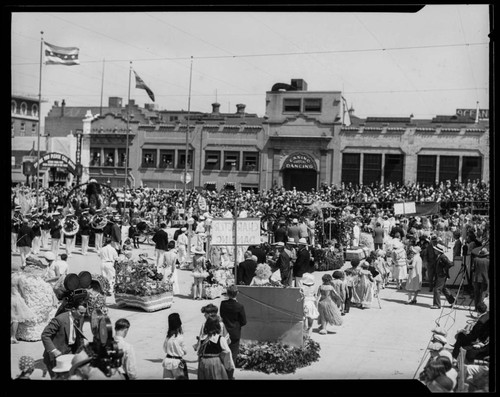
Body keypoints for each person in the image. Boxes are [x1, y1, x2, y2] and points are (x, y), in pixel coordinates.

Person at [41, 298, 88, 379]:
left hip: (70, 352)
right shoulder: (60, 319)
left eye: (84, 313)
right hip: (55, 356)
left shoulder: (79, 317)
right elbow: (45, 335)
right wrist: (53, 350)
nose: (83, 315)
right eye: (81, 313)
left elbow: (79, 335)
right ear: (73, 309)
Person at [219, 285, 247, 379]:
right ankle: (229, 376)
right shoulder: (240, 306)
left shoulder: (223, 303)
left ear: (227, 294)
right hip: (234, 333)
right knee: (232, 355)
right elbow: (244, 321)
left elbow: (222, 315)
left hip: (224, 332)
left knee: (223, 353)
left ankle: (222, 374)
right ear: (237, 293)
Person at [197, 316, 234, 380]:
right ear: (218, 326)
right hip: (215, 362)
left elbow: (199, 351)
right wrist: (229, 366)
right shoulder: (220, 339)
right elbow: (227, 352)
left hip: (203, 362)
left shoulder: (202, 338)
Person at [162, 313, 188, 379]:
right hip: (177, 363)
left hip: (167, 361)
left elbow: (165, 349)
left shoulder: (167, 337)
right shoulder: (180, 337)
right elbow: (185, 351)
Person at [430, 243, 455, 309]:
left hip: (441, 275)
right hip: (439, 275)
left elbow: (450, 264)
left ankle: (437, 304)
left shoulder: (442, 257)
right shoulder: (439, 256)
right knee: (444, 289)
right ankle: (453, 302)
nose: (434, 251)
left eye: (435, 250)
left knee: (437, 289)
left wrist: (444, 270)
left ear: (438, 251)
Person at [471, 246, 489, 312]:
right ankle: (480, 309)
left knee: (476, 294)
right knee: (483, 294)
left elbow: (472, 269)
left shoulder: (475, 259)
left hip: (476, 279)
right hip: (484, 280)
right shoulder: (488, 261)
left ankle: (476, 308)